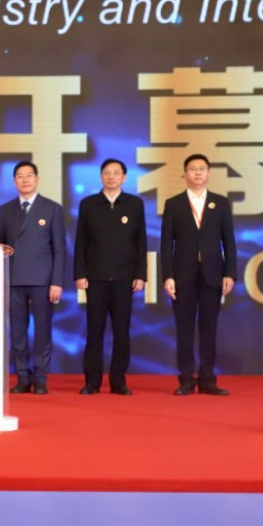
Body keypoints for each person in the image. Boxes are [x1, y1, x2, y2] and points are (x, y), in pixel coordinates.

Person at [161, 153, 237, 396]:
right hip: (182, 276)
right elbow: (166, 244)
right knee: (184, 329)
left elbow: (229, 241)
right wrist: (168, 275)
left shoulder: (220, 203)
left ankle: (207, 379)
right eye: (192, 169)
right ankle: (186, 379)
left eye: (201, 169)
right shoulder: (173, 204)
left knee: (209, 328)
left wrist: (230, 273)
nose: (197, 173)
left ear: (208, 174)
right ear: (185, 174)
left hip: (212, 275)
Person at [73, 159, 147, 396]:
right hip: (95, 278)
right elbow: (81, 242)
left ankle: (118, 381)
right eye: (107, 172)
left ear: (124, 177)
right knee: (94, 332)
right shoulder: (88, 204)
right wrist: (80, 273)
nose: (111, 176)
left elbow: (141, 242)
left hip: (125, 278)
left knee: (121, 332)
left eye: (116, 173)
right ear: (101, 176)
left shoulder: (135, 204)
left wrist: (141, 274)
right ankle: (92, 382)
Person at [0, 161, 65, 395]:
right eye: (20, 176)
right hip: (14, 279)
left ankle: (41, 378)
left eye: (29, 175)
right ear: (14, 182)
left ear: (37, 179)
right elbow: (1, 249)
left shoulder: (51, 208)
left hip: (42, 280)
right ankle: (23, 377)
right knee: (17, 331)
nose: (25, 180)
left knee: (42, 330)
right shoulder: (6, 210)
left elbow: (59, 249)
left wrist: (56, 281)